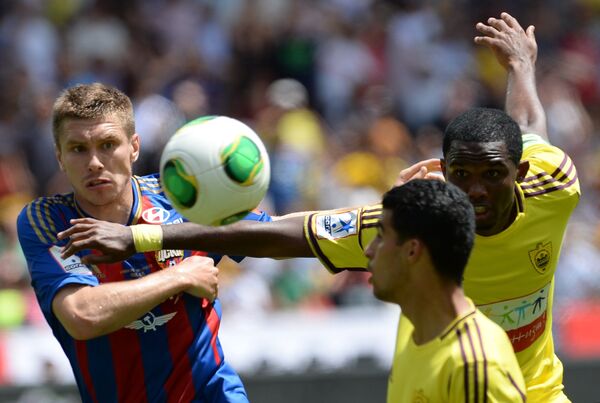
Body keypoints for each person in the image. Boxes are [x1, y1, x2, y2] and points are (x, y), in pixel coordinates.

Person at [58, 13, 578, 402]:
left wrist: (523, 66)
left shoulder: (550, 190)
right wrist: (144, 238)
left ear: (521, 174)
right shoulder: (410, 225)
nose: (478, 189)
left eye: (493, 174)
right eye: (462, 175)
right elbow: (286, 235)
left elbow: (530, 131)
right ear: (441, 172)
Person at [17, 83, 271, 402]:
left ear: (134, 147)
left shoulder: (181, 198)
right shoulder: (49, 221)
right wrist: (180, 275)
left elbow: (272, 236)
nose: (94, 162)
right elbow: (82, 315)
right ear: (60, 157)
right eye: (78, 149)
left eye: (108, 144)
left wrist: (342, 227)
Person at [366, 179, 525, 402]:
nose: (368, 250)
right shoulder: (412, 322)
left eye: (380, 236)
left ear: (412, 251)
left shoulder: (474, 366)